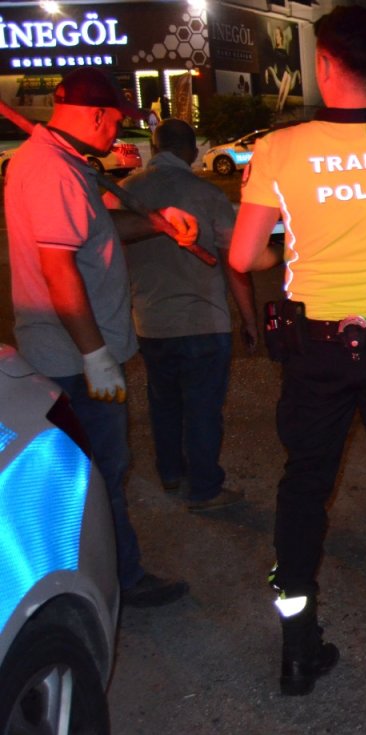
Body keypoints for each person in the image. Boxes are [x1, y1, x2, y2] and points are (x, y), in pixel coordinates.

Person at [227, 6, 366, 696]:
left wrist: (287, 243)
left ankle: (299, 648)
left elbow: (244, 256)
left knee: (304, 486)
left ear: (322, 65)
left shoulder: (278, 149)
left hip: (316, 350)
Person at [5, 67, 197, 608]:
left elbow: (95, 236)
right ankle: (115, 581)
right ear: (95, 115)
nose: (119, 133)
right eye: (117, 122)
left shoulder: (66, 162)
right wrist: (95, 356)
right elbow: (58, 269)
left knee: (98, 473)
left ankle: (108, 575)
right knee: (97, 476)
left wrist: (158, 223)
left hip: (80, 356)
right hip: (72, 360)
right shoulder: (50, 170)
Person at [118, 118, 257, 512]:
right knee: (202, 408)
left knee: (163, 401)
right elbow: (237, 263)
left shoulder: (127, 191)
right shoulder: (206, 194)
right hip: (203, 321)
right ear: (192, 150)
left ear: (154, 146)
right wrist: (248, 320)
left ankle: (171, 473)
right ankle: (204, 488)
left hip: (150, 321)